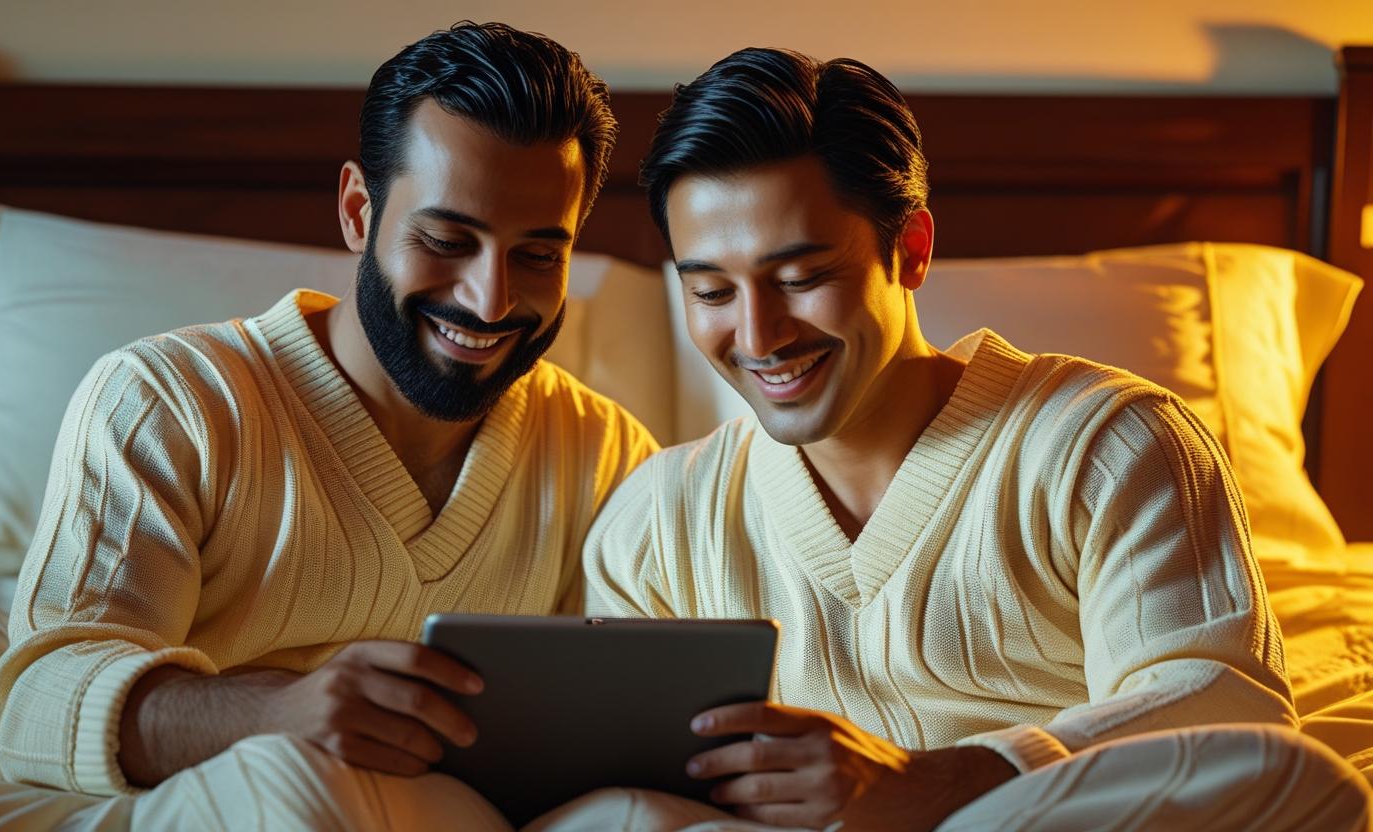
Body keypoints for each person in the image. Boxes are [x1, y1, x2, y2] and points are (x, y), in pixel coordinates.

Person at [581, 47, 1373, 831]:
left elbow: (1227, 707)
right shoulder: (656, 519)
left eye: (801, 279)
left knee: (1286, 770)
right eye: (712, 290)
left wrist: (946, 781)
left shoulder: (1107, 442)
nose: (759, 334)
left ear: (912, 249)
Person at [0, 22, 655, 829]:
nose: (489, 300)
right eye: (447, 240)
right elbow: (35, 703)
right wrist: (271, 716)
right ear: (355, 210)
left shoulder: (607, 454)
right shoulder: (168, 403)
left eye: (540, 256)